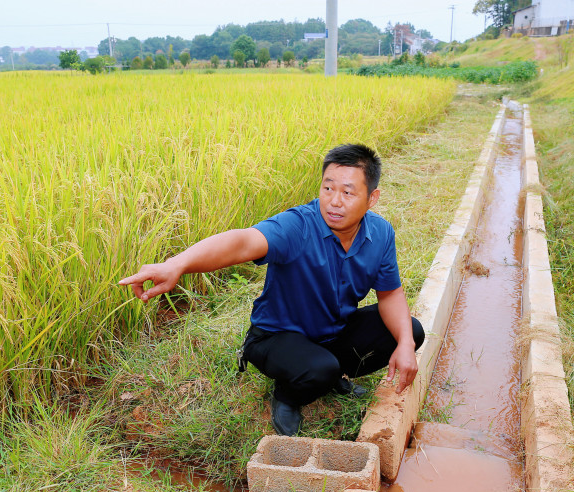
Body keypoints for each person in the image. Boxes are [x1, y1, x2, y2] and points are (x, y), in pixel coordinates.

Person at [119, 144, 424, 436]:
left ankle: (330, 375)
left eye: (348, 192)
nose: (334, 201)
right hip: (276, 337)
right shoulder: (298, 226)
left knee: (409, 331)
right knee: (320, 369)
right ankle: (287, 395)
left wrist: (406, 345)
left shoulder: (381, 233)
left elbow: (390, 294)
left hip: (333, 332)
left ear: (372, 198)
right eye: (327, 188)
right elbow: (242, 241)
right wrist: (178, 264)